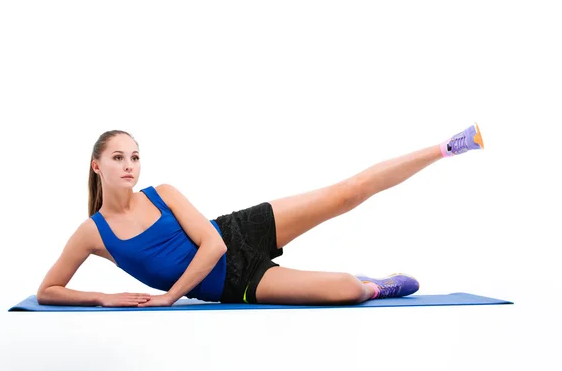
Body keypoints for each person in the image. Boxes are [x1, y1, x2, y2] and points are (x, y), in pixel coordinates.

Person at [36, 124, 484, 307]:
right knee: (347, 290)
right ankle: (377, 285)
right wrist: (104, 298)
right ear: (97, 166)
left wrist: (170, 297)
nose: (129, 165)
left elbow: (212, 243)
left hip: (237, 231)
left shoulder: (163, 192)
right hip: (234, 283)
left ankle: (447, 147)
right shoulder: (90, 234)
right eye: (117, 158)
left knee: (345, 194)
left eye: (134, 156)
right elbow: (49, 290)